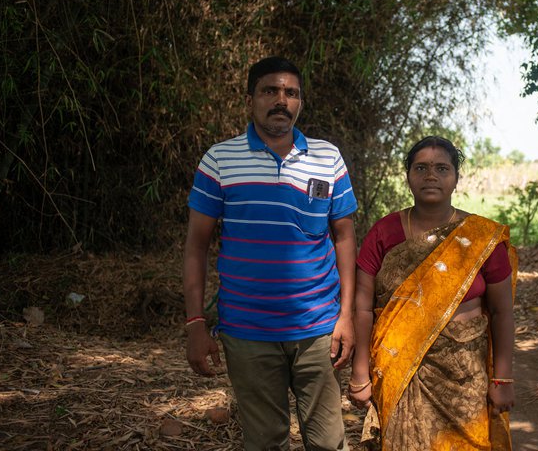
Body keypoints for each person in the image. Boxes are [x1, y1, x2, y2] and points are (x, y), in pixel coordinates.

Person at [183, 56, 358, 451]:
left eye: (290, 93)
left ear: (300, 102)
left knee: (330, 443)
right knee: (265, 443)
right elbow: (196, 246)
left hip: (318, 329)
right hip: (247, 331)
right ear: (250, 100)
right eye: (270, 91)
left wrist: (346, 316)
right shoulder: (220, 160)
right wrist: (195, 323)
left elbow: (345, 238)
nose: (281, 100)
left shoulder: (327, 158)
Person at [349, 136, 518, 451]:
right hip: (399, 368)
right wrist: (361, 371)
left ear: (455, 179)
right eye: (421, 168)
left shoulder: (481, 238)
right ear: (408, 176)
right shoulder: (384, 233)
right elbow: (362, 308)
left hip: (465, 377)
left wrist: (503, 379)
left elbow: (502, 312)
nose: (431, 176)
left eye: (442, 168)